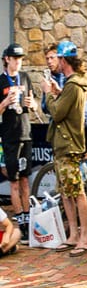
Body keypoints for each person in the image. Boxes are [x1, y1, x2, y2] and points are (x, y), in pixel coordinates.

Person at [48, 41, 87, 256]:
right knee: (66, 192)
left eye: (57, 58)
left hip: (69, 145)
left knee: (77, 192)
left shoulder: (73, 85)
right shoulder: (72, 84)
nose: (55, 62)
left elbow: (57, 113)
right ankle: (73, 234)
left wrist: (49, 94)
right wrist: (58, 93)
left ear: (63, 60)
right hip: (64, 145)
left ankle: (83, 237)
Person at [1, 45, 27, 220]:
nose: (18, 62)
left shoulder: (24, 77)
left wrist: (32, 104)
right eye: (15, 58)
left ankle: (28, 217)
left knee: (25, 180)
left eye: (20, 58)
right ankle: (20, 218)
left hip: (25, 133)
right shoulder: (1, 81)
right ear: (7, 59)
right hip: (9, 136)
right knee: (14, 181)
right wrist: (5, 102)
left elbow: (32, 104)